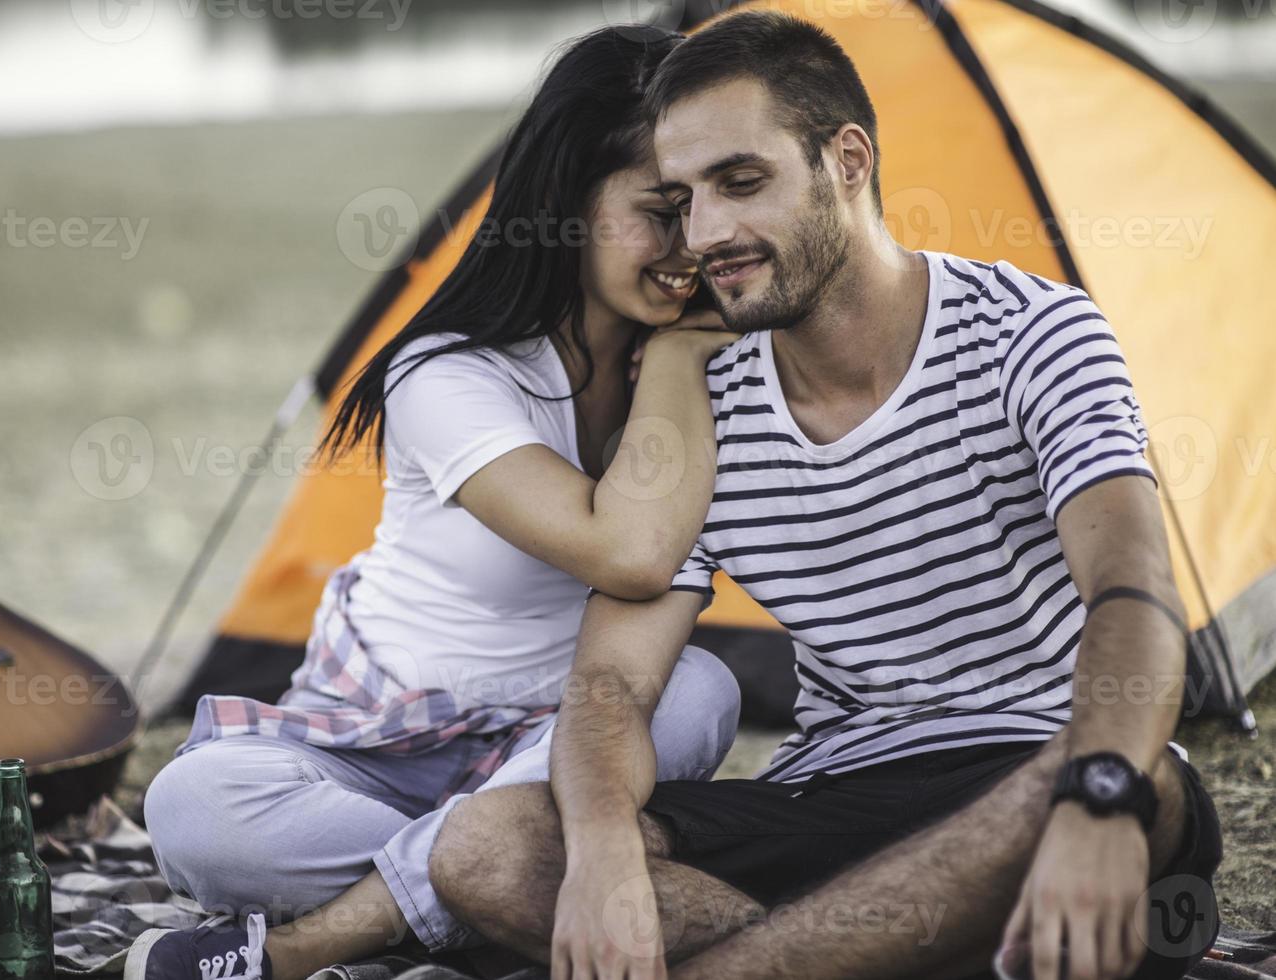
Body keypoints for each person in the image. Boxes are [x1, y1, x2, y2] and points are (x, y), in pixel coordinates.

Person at [424, 11, 1223, 980]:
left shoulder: (1033, 335)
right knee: (484, 845)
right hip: (836, 791)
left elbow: (1132, 593)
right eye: (678, 199)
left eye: (741, 181)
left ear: (845, 160)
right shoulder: (696, 402)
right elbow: (611, 683)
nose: (706, 233)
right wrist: (601, 853)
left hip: (1038, 760)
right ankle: (970, 950)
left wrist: (1098, 790)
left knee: (1106, 786)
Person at [130, 26, 743, 980]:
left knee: (703, 691)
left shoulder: (699, 367)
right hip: (372, 744)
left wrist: (669, 360)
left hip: (564, 748)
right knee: (192, 808)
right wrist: (675, 353)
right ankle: (495, 887)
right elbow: (619, 550)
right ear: (567, 205)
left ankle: (315, 943)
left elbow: (651, 570)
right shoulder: (449, 371)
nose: (691, 244)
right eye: (660, 210)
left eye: (704, 208)